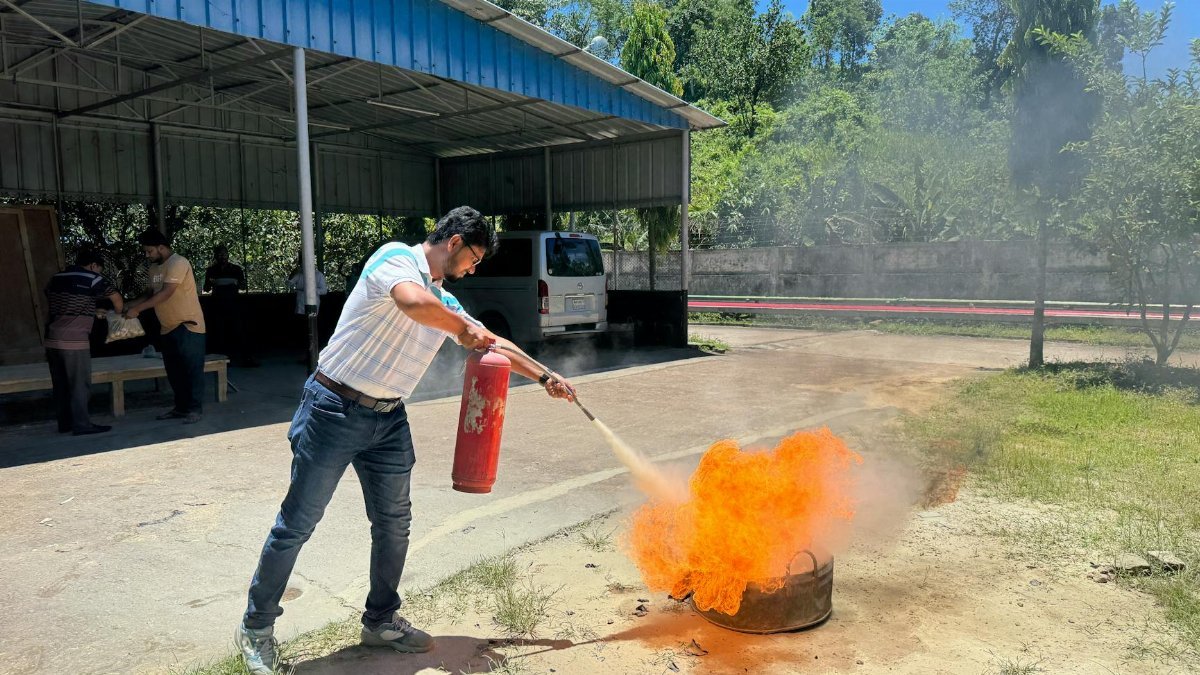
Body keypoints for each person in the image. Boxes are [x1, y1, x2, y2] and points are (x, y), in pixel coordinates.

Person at [236, 207, 576, 674]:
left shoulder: (445, 298)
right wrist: (462, 330)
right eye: (474, 258)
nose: (473, 269)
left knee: (395, 524)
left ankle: (380, 620)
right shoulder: (395, 259)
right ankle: (256, 628)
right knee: (297, 523)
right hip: (333, 408)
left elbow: (490, 341)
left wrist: (545, 376)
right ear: (453, 242)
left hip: (388, 418)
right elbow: (412, 303)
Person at [125, 228, 207, 424]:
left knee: (192, 371)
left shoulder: (179, 262)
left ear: (161, 247)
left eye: (149, 251)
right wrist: (130, 304)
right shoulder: (154, 268)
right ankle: (180, 408)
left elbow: (166, 293)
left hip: (188, 326)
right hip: (167, 327)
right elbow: (150, 293)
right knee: (174, 372)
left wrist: (138, 310)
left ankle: (195, 410)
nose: (147, 255)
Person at [44, 250, 124, 435]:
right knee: (79, 384)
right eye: (99, 270)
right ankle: (81, 425)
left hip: (52, 339)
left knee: (61, 384)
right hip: (74, 341)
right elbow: (116, 298)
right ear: (93, 265)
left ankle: (65, 424)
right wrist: (119, 314)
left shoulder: (56, 278)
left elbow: (63, 302)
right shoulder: (92, 278)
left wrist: (89, 311)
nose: (98, 273)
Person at [204, 244, 256, 367]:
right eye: (220, 254)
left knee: (238, 331)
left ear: (228, 255)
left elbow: (243, 286)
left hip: (233, 304)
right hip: (217, 305)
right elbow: (206, 288)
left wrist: (238, 283)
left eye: (224, 254)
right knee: (219, 332)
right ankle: (221, 360)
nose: (222, 256)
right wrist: (211, 283)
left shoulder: (236, 269)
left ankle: (246, 358)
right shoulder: (211, 270)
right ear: (215, 256)